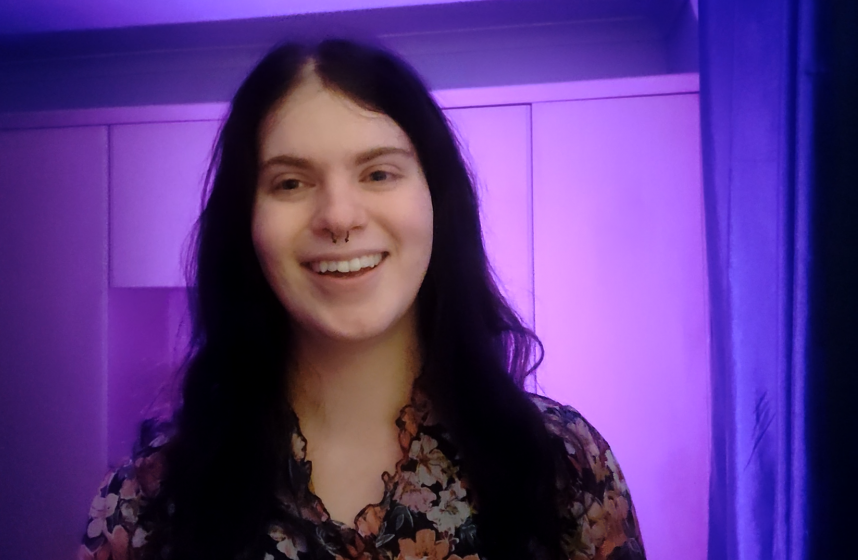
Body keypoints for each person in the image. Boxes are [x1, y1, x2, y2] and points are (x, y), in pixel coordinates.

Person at [80, 39, 645, 560]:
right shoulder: (148, 497)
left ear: (436, 204)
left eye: (378, 173)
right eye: (291, 183)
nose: (340, 217)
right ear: (245, 223)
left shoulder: (563, 464)